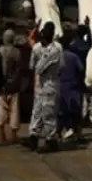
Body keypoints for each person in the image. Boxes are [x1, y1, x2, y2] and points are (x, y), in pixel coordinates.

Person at [27, 22, 63, 153]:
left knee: (47, 113)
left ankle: (50, 140)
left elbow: (36, 67)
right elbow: (61, 66)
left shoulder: (45, 49)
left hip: (47, 84)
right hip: (48, 83)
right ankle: (34, 137)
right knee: (38, 112)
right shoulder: (56, 48)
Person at [57, 31, 86, 144]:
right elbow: (81, 69)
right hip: (73, 87)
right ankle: (78, 134)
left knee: (61, 112)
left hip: (61, 86)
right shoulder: (74, 56)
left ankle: (57, 133)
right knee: (75, 113)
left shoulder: (58, 57)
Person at [0, 29, 25, 144]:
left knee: (2, 110)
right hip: (14, 85)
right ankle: (13, 136)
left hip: (2, 85)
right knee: (14, 111)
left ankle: (2, 135)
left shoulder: (0, 51)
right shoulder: (17, 52)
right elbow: (19, 69)